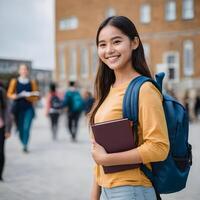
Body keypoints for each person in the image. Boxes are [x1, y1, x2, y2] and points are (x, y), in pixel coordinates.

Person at [89, 16, 169, 200]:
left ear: (134, 43)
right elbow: (98, 153)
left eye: (116, 42)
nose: (109, 50)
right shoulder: (107, 91)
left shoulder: (145, 89)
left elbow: (159, 147)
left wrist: (106, 159)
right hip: (108, 191)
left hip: (132, 190)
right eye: (102, 44)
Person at [7, 64, 39, 153]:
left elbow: (36, 95)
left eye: (25, 69)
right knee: (20, 128)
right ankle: (22, 141)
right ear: (19, 71)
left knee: (26, 127)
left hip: (28, 108)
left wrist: (29, 95)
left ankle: (25, 144)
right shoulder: (15, 81)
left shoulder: (31, 82)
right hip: (18, 108)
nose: (24, 71)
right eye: (22, 69)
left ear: (28, 71)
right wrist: (14, 96)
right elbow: (9, 94)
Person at [0, 81, 12, 181]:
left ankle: (0, 174)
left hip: (1, 127)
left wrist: (8, 129)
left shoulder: (1, 91)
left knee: (0, 151)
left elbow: (7, 111)